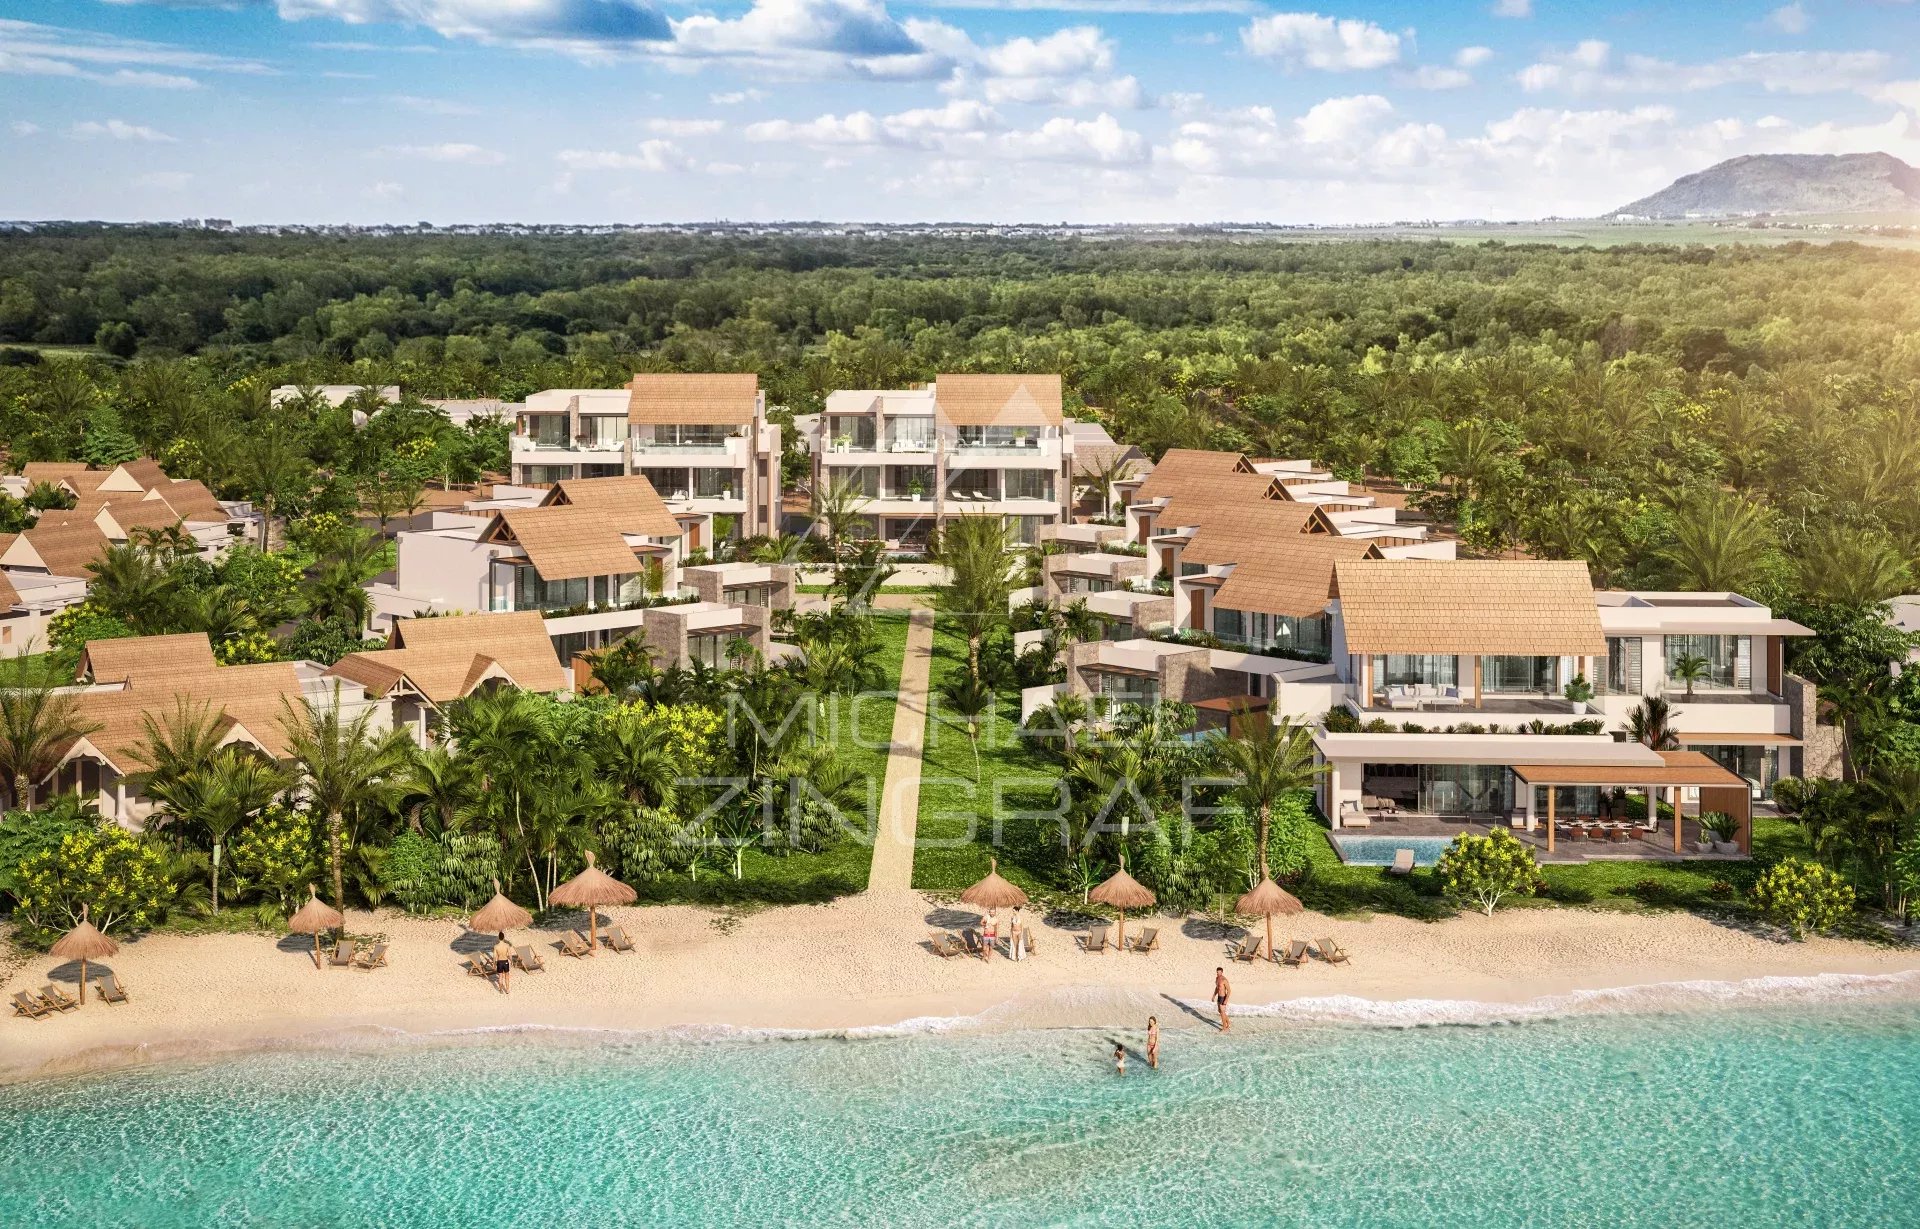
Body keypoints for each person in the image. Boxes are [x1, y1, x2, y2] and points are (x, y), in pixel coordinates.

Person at [1213, 967, 1231, 1033]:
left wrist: (1226, 1000)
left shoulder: (1224, 980)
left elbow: (1229, 991)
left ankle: (1224, 1028)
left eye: (1220, 972)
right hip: (1219, 997)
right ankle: (1228, 1023)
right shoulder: (1217, 979)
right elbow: (1217, 988)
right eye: (1217, 972)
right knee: (1220, 1011)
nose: (1218, 973)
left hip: (1223, 997)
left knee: (1222, 1012)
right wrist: (1214, 995)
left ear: (1222, 972)